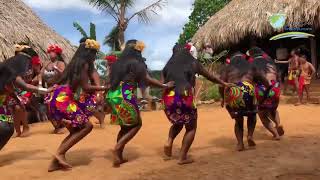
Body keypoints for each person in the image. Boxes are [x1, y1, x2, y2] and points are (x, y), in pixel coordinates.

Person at [106, 39, 174, 168]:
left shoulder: (117, 63)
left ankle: (119, 156)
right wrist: (165, 85)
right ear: (137, 50)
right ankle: (118, 148)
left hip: (113, 94)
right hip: (125, 94)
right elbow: (147, 79)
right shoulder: (136, 62)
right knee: (137, 124)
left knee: (124, 126)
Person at [162, 44, 232, 164]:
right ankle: (182, 157)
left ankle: (169, 141)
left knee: (178, 122)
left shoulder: (167, 66)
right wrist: (224, 83)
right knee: (191, 127)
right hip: (184, 96)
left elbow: (162, 84)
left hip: (169, 98)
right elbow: (210, 77)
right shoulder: (192, 62)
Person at [46, 39, 107, 172]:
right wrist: (103, 87)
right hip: (63, 99)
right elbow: (85, 86)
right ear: (89, 53)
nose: (95, 57)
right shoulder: (84, 64)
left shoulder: (74, 63)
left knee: (76, 130)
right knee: (87, 126)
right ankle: (59, 153)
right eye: (94, 54)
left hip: (57, 97)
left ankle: (55, 162)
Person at [0, 44, 52, 150]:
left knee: (8, 128)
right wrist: (46, 90)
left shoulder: (9, 72)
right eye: (28, 64)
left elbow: (9, 89)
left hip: (3, 104)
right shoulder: (10, 71)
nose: (28, 67)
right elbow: (25, 86)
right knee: (6, 128)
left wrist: (16, 99)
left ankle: (24, 128)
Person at [219, 51, 265, 151]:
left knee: (238, 120)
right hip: (248, 90)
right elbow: (263, 79)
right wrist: (265, 89)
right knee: (252, 116)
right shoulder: (251, 65)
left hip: (234, 91)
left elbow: (221, 84)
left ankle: (240, 144)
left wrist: (222, 98)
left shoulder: (227, 67)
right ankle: (250, 136)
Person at [249, 47, 284, 140]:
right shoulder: (270, 61)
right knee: (273, 110)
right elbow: (279, 74)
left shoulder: (252, 63)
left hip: (262, 89)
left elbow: (251, 78)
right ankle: (278, 124)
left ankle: (276, 134)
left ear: (252, 55)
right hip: (275, 87)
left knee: (262, 114)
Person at [12, 44, 43, 137]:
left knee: (18, 107)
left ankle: (25, 127)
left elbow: (39, 74)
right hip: (16, 89)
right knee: (14, 108)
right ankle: (17, 130)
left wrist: (39, 84)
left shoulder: (32, 62)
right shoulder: (14, 65)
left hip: (28, 88)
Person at [42, 44, 66, 134]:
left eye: (53, 52)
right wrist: (40, 84)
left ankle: (59, 126)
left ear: (57, 53)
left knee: (57, 108)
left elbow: (64, 75)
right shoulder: (46, 63)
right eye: (50, 52)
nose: (51, 54)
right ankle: (56, 126)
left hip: (58, 87)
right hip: (48, 89)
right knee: (48, 109)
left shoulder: (61, 63)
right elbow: (40, 74)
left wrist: (57, 69)